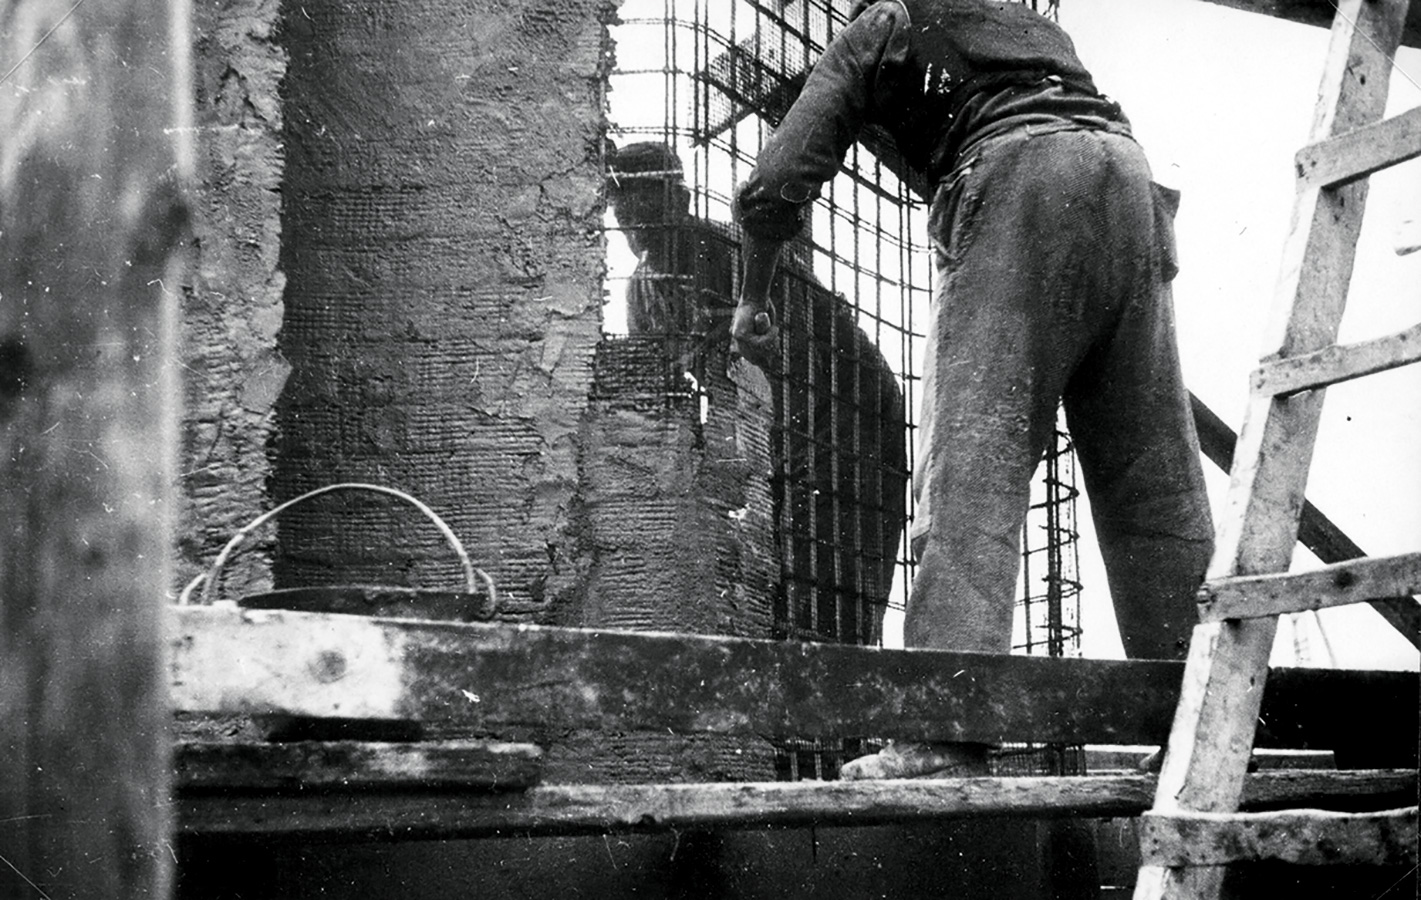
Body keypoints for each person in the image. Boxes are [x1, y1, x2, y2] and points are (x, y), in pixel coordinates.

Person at [730, 0, 1215, 779]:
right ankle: (1202, 737)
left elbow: (771, 187)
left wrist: (752, 298)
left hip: (1019, 184)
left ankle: (940, 736)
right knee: (1151, 487)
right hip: (1128, 180)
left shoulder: (878, 28)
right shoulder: (1019, 22)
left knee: (971, 476)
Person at [607, 141, 907, 645]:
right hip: (784, 437)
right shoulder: (641, 290)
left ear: (678, 199)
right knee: (780, 587)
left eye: (646, 202)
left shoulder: (721, 249)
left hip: (849, 415)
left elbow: (774, 358)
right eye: (623, 211)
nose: (634, 223)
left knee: (832, 592)